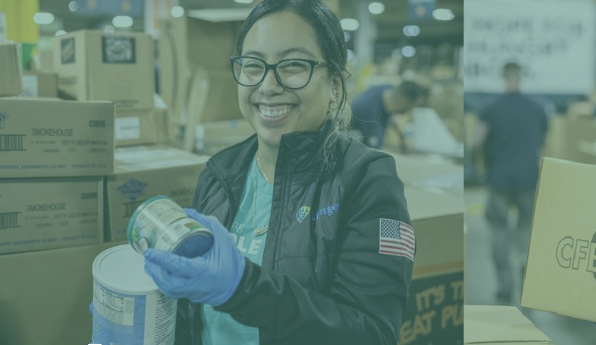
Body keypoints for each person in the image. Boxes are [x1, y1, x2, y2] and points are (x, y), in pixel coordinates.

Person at [106, 1, 414, 343]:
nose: (268, 85)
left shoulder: (368, 180)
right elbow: (195, 315)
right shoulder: (221, 174)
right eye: (253, 65)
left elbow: (374, 334)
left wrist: (243, 288)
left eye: (294, 65)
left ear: (336, 85)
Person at [469, 61, 547, 305]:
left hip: (499, 178)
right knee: (526, 228)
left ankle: (505, 285)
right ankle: (526, 271)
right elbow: (543, 145)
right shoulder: (537, 108)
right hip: (528, 178)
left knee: (499, 230)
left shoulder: (490, 108)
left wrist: (479, 165)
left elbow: (476, 142)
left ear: (503, 76)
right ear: (521, 76)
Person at [347, 81, 428, 149]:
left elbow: (394, 117)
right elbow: (374, 155)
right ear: (403, 102)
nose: (410, 110)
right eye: (410, 107)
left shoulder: (388, 91)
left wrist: (404, 137)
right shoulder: (372, 120)